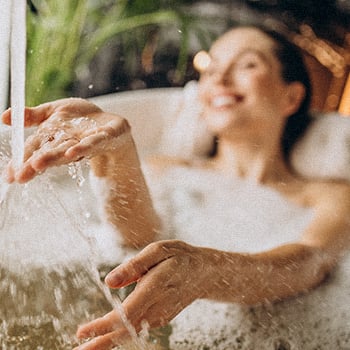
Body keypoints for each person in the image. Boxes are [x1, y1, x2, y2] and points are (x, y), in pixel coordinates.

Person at [2, 25, 350, 350]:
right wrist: (118, 150)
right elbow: (135, 237)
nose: (220, 79)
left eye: (247, 65)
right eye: (211, 69)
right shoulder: (166, 169)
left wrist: (207, 270)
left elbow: (310, 263)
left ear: (291, 97)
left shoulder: (328, 194)